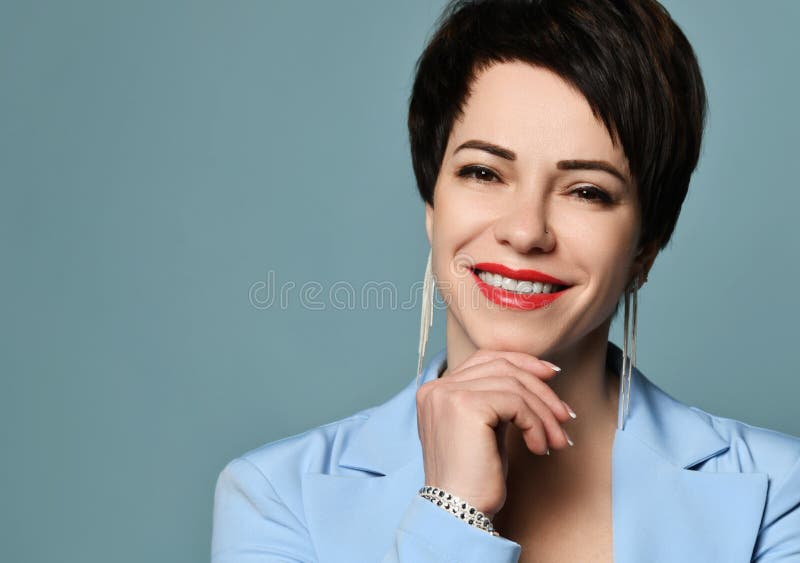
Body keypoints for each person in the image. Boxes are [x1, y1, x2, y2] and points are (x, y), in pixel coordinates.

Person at [211, 0, 800, 561]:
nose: (525, 232)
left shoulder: (779, 496)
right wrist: (453, 512)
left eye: (588, 191)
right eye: (484, 172)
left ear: (646, 246)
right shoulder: (276, 499)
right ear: (433, 208)